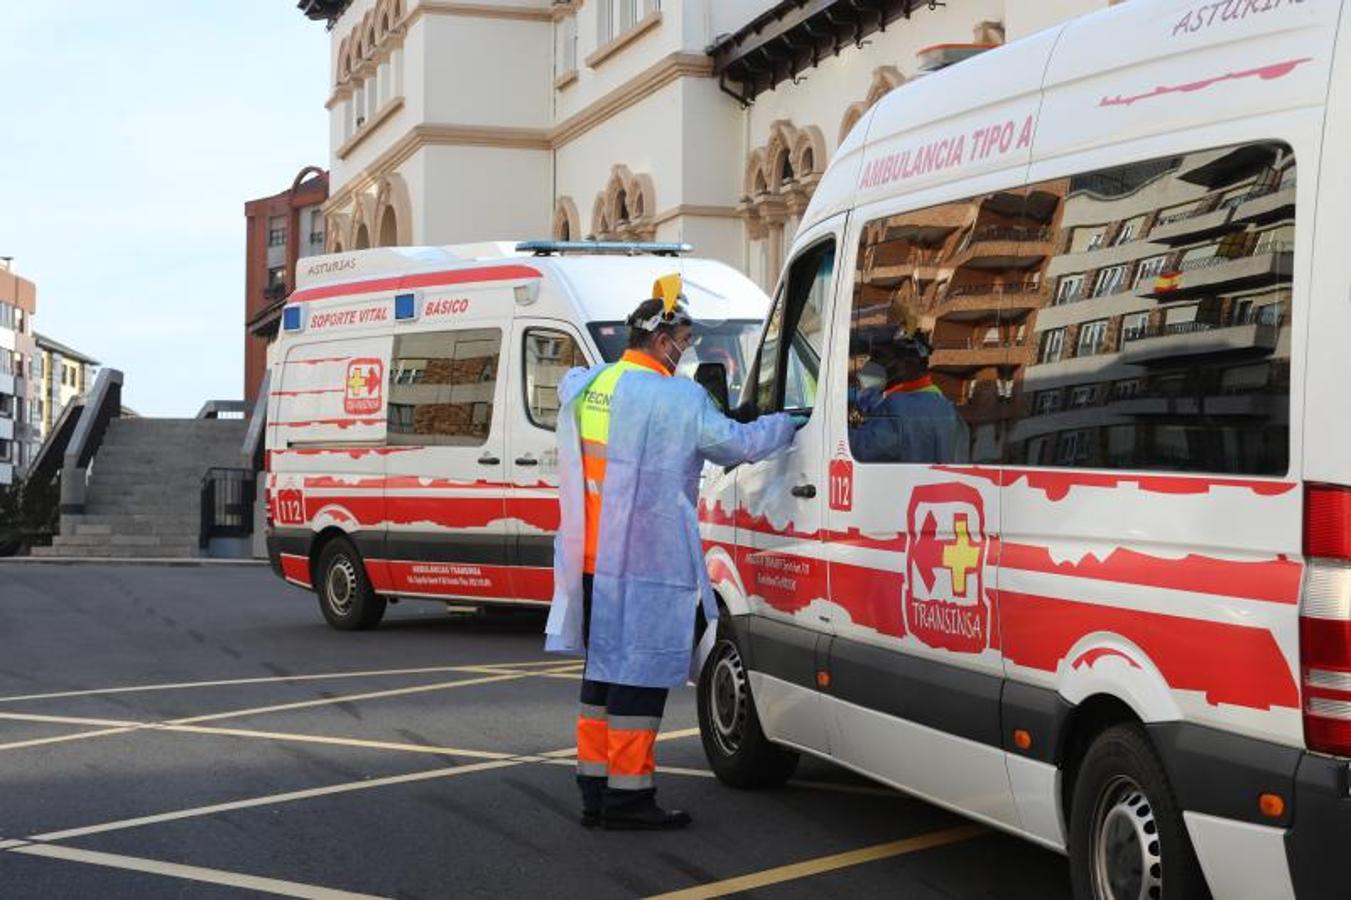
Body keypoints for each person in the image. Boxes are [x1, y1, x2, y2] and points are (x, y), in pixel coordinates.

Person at [544, 275, 798, 831]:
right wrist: (787, 423)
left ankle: (595, 787)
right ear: (661, 341)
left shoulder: (591, 387)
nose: (686, 350)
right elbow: (736, 444)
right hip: (644, 562)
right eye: (683, 339)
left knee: (602, 678)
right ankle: (628, 798)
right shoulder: (678, 398)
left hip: (592, 563)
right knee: (638, 678)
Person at [849, 328, 969, 464]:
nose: (876, 365)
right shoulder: (948, 409)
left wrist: (837, 425)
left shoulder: (897, 406)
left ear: (906, 364)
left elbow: (864, 448)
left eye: (882, 359)